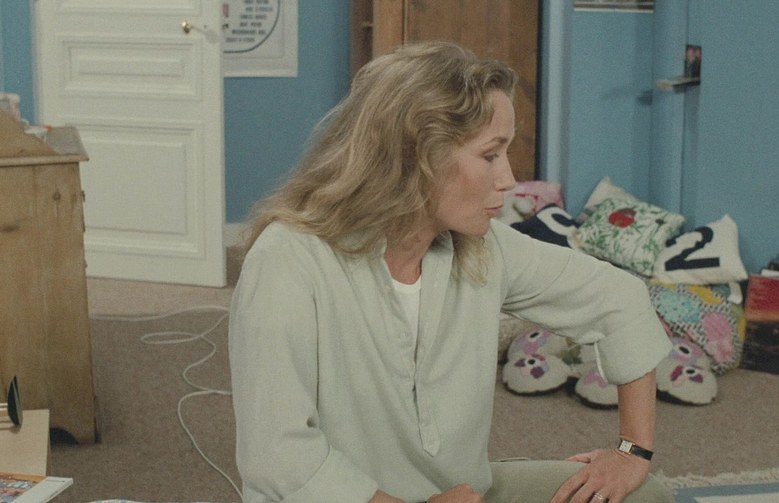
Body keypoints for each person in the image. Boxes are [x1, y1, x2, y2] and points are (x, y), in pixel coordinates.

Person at [228, 41, 675, 503]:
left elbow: (618, 298)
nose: (508, 179)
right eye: (490, 155)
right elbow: (278, 456)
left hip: (460, 495)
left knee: (645, 498)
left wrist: (631, 452)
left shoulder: (483, 247)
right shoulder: (288, 259)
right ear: (419, 156)